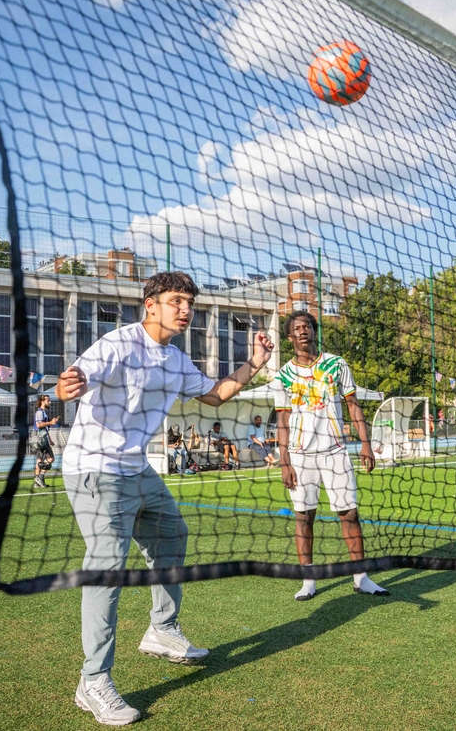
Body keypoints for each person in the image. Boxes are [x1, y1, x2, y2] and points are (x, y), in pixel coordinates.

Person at [55, 271, 273, 725]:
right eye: (176, 300)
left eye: (189, 301)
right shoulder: (118, 343)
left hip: (137, 469)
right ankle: (93, 681)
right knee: (107, 570)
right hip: (94, 469)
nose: (185, 309)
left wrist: (254, 362)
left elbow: (215, 395)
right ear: (150, 304)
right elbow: (77, 376)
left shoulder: (175, 360)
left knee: (173, 535)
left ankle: (162, 629)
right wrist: (66, 385)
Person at [274, 310, 388, 602]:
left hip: (336, 451)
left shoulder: (337, 364)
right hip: (300, 456)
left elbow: (353, 405)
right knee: (304, 517)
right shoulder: (283, 375)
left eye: (307, 327)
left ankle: (361, 578)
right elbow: (282, 421)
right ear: (290, 337)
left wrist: (365, 443)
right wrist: (284, 460)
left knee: (349, 513)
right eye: (297, 328)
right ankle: (308, 580)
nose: (302, 331)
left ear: (314, 331)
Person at [32, 395, 60, 489]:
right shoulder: (40, 412)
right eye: (48, 400)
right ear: (42, 401)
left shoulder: (43, 412)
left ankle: (37, 481)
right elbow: (39, 424)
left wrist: (50, 439)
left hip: (43, 438)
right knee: (51, 459)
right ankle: (40, 477)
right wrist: (51, 423)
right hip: (41, 439)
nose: (50, 402)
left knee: (39, 460)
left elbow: (45, 429)